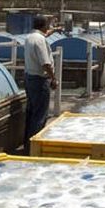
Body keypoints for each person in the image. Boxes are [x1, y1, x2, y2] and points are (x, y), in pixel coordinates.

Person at [23, 14, 62, 154]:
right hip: (39, 80)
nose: (49, 27)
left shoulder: (30, 37)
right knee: (40, 114)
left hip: (29, 78)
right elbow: (45, 63)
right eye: (48, 25)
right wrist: (53, 78)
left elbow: (44, 35)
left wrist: (56, 29)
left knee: (31, 112)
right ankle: (36, 148)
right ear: (44, 26)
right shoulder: (40, 40)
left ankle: (28, 145)